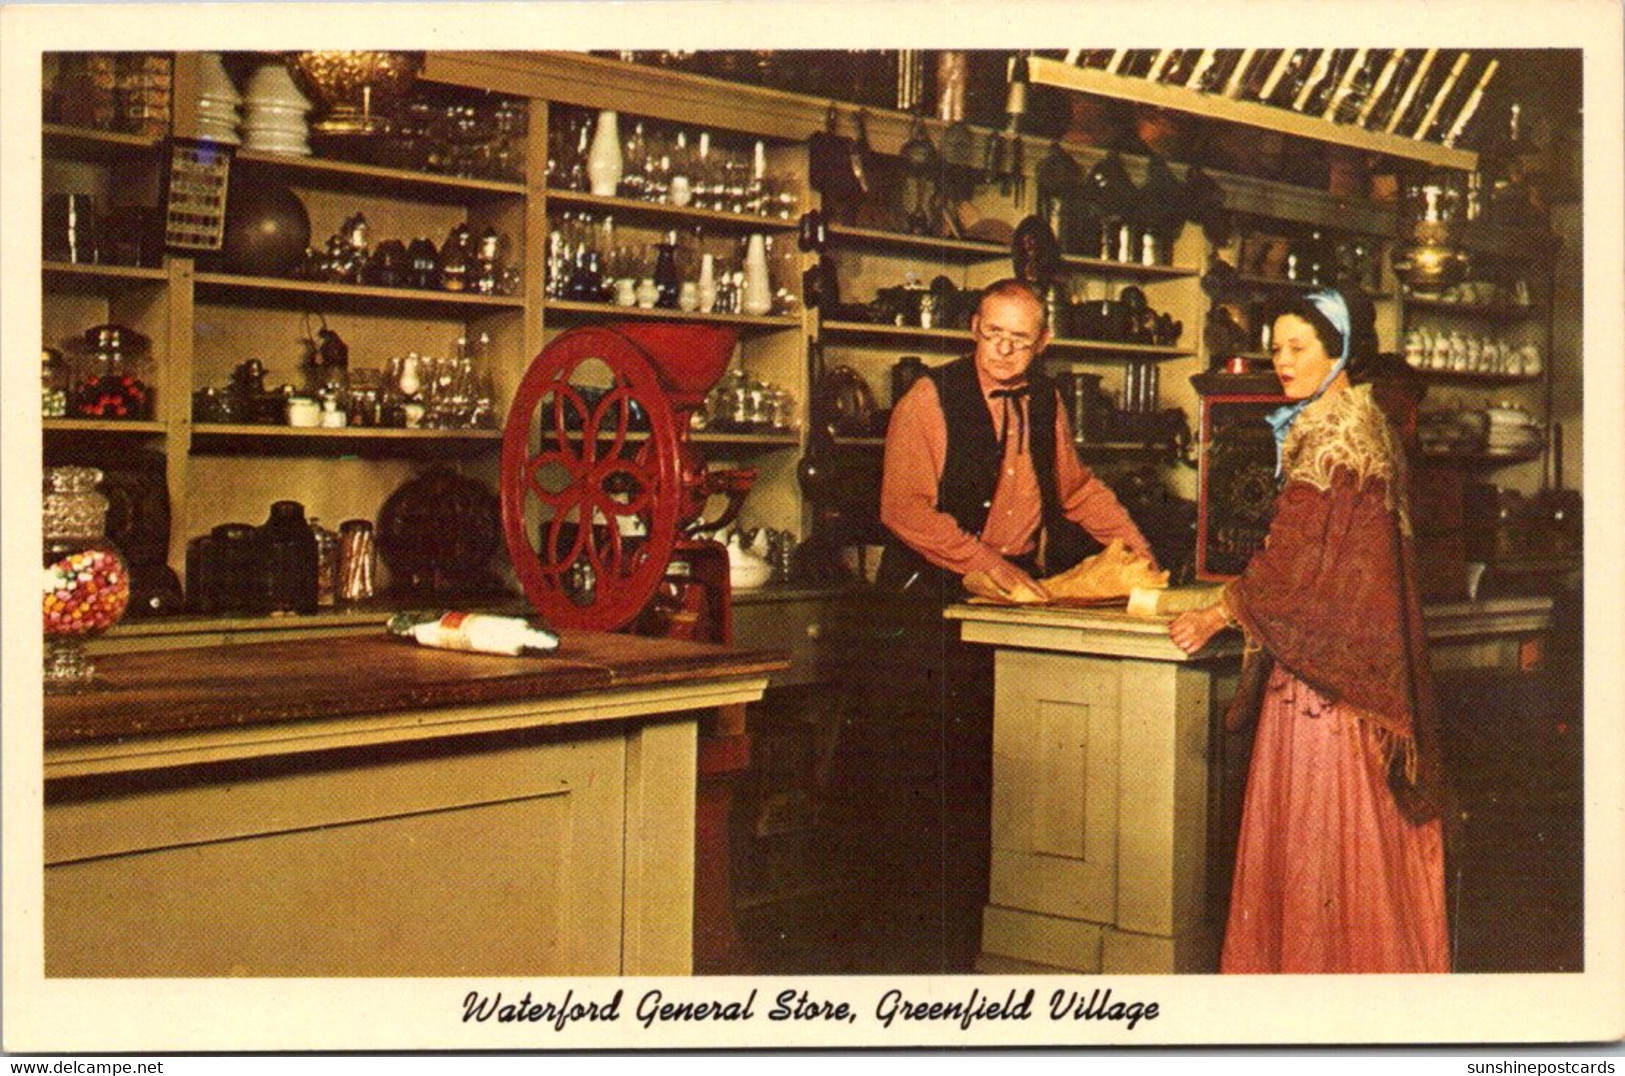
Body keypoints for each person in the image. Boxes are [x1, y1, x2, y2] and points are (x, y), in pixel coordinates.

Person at [1169, 286, 1450, 974]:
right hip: (1366, 672)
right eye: (1275, 348)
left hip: (1324, 681)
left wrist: (1216, 609)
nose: (1283, 361)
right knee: (1364, 839)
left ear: (1339, 351)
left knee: (1319, 837)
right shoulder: (1370, 422)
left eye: (1298, 348)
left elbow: (1293, 558)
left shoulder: (1326, 432)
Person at [877, 278, 1157, 600]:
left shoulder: (1046, 398)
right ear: (974, 327)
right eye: (993, 333)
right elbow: (903, 508)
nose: (1004, 349)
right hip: (929, 588)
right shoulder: (929, 397)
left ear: (1042, 341)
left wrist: (1141, 557)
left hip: (1017, 581)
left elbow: (1078, 491)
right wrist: (990, 566)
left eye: (1020, 339)